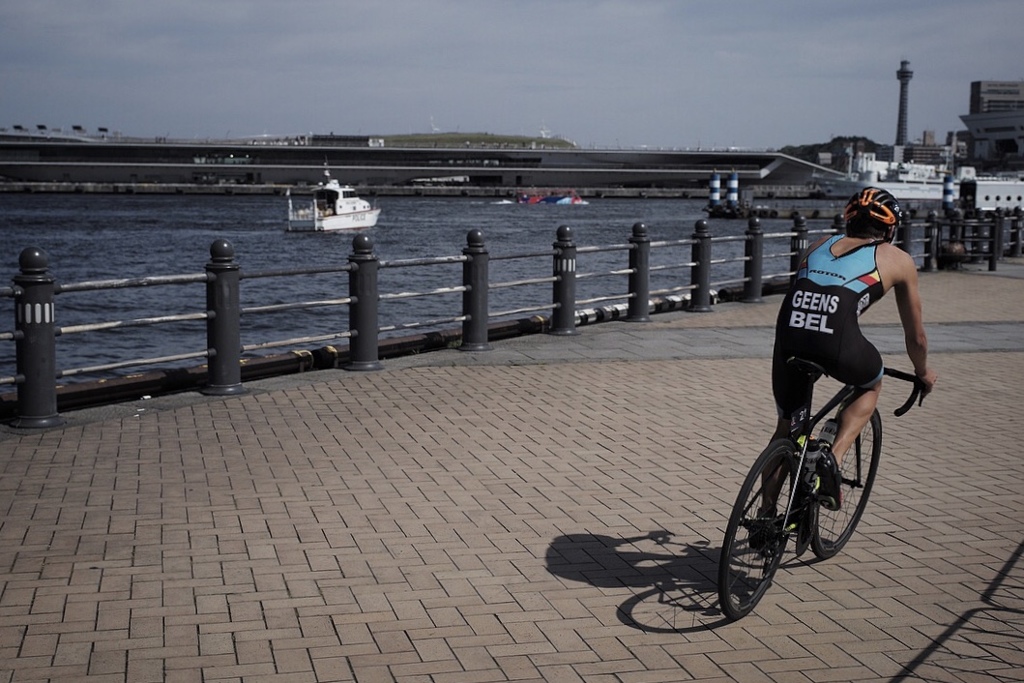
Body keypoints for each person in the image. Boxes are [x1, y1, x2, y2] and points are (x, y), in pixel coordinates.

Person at [770, 187, 938, 510]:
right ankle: (831, 459)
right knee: (871, 380)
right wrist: (923, 373)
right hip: (835, 338)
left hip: (788, 334)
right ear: (890, 229)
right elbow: (916, 338)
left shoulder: (818, 244)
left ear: (848, 222)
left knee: (787, 429)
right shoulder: (899, 260)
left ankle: (764, 519)